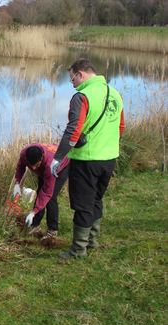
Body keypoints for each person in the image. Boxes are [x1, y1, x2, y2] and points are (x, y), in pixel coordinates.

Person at [50, 58, 124, 259]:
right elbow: (121, 128)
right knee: (97, 199)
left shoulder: (81, 96)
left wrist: (57, 158)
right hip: (109, 158)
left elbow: (73, 131)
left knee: (83, 204)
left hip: (86, 160)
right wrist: (107, 144)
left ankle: (77, 250)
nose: (71, 83)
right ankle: (92, 240)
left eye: (71, 78)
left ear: (80, 74)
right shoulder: (114, 93)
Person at [13, 143, 69, 240]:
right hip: (45, 168)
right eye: (31, 165)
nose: (33, 168)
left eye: (36, 165)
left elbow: (47, 192)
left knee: (50, 197)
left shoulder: (50, 165)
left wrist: (33, 211)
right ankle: (35, 225)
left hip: (61, 167)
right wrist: (17, 183)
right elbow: (20, 167)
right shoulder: (24, 154)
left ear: (41, 158)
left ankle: (52, 230)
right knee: (39, 193)